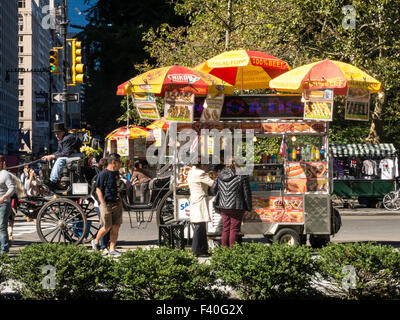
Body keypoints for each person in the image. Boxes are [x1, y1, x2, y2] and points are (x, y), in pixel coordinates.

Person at [210, 157, 252, 248]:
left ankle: (225, 250)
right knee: (234, 229)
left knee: (226, 228)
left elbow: (213, 190)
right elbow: (247, 193)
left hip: (223, 206)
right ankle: (232, 251)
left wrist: (222, 192)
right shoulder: (242, 176)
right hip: (237, 206)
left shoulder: (220, 175)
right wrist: (249, 207)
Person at [91, 153, 123, 257]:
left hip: (116, 203)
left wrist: (120, 199)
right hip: (106, 204)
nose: (120, 164)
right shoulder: (103, 174)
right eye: (119, 161)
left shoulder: (117, 173)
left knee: (116, 227)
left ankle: (112, 249)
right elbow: (98, 189)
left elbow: (117, 187)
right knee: (107, 226)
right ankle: (95, 241)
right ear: (114, 162)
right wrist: (102, 204)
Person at [41, 122, 82, 190]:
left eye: (58, 133)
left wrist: (51, 156)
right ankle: (56, 181)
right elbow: (59, 152)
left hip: (77, 155)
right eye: (55, 134)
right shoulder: (61, 139)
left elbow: (66, 153)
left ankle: (53, 181)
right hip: (71, 155)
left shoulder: (68, 138)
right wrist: (49, 156)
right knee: (55, 159)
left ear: (63, 132)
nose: (56, 135)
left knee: (60, 159)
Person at [187, 159, 215, 257]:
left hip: (195, 199)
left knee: (201, 226)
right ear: (202, 164)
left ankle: (202, 249)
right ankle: (196, 250)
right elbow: (212, 183)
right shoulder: (200, 173)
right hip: (200, 200)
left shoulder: (191, 172)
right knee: (199, 226)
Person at [92, 158, 110, 254]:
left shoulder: (105, 175)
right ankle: (101, 244)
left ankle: (104, 244)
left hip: (103, 203)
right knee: (104, 225)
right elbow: (97, 191)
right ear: (104, 167)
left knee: (106, 224)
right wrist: (102, 203)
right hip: (100, 203)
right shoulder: (100, 176)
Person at [0, 155, 15, 254]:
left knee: (2, 226)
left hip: (4, 204)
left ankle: (4, 250)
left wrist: (3, 197)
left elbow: (12, 188)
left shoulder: (5, 174)